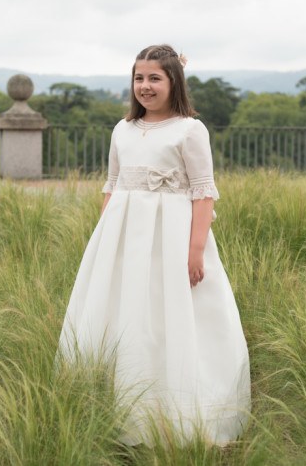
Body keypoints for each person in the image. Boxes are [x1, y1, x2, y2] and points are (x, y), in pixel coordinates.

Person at [58, 44, 250, 447]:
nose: (145, 86)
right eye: (139, 78)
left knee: (169, 316)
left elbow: (203, 193)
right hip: (124, 238)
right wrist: (104, 242)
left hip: (172, 239)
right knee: (125, 315)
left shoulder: (189, 130)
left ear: (173, 81)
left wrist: (195, 251)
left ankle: (176, 411)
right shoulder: (122, 129)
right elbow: (112, 187)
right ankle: (120, 408)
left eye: (154, 79)